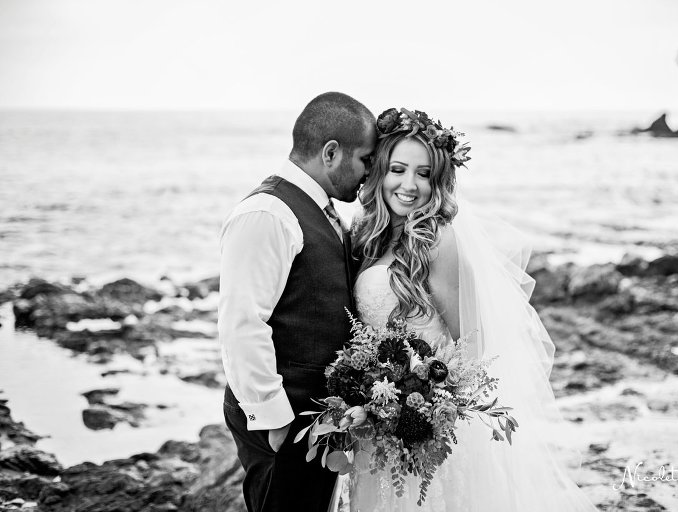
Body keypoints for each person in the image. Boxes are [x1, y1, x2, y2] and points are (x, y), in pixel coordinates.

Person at [348, 108, 598, 511]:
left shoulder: (436, 239)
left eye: (424, 173)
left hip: (426, 431)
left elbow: (470, 341)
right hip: (376, 422)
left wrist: (425, 404)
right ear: (379, 171)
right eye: (398, 169)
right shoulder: (367, 234)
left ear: (437, 181)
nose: (409, 185)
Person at [218, 91, 377, 512]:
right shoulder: (268, 214)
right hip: (283, 424)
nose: (369, 172)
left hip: (317, 420)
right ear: (331, 153)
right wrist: (274, 419)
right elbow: (241, 323)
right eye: (365, 159)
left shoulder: (322, 210)